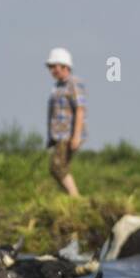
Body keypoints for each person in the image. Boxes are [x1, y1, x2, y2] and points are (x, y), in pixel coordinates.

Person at [45, 47, 86, 197]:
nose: (52, 70)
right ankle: (73, 197)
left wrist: (76, 136)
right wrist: (50, 138)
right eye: (51, 67)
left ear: (64, 66)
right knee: (59, 167)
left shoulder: (73, 83)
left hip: (68, 135)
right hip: (58, 135)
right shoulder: (57, 88)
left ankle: (75, 197)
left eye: (54, 66)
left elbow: (80, 110)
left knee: (57, 166)